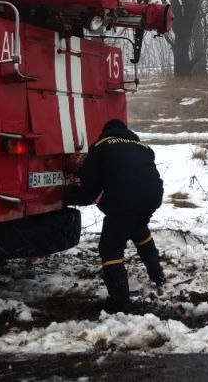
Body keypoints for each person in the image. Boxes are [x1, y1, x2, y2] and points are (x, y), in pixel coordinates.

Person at [66, 119, 166, 313]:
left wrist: (69, 197)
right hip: (153, 197)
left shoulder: (100, 147)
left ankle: (119, 301)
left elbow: (90, 187)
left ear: (106, 132)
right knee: (138, 229)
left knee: (110, 248)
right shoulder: (143, 147)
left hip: (124, 201)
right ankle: (158, 276)